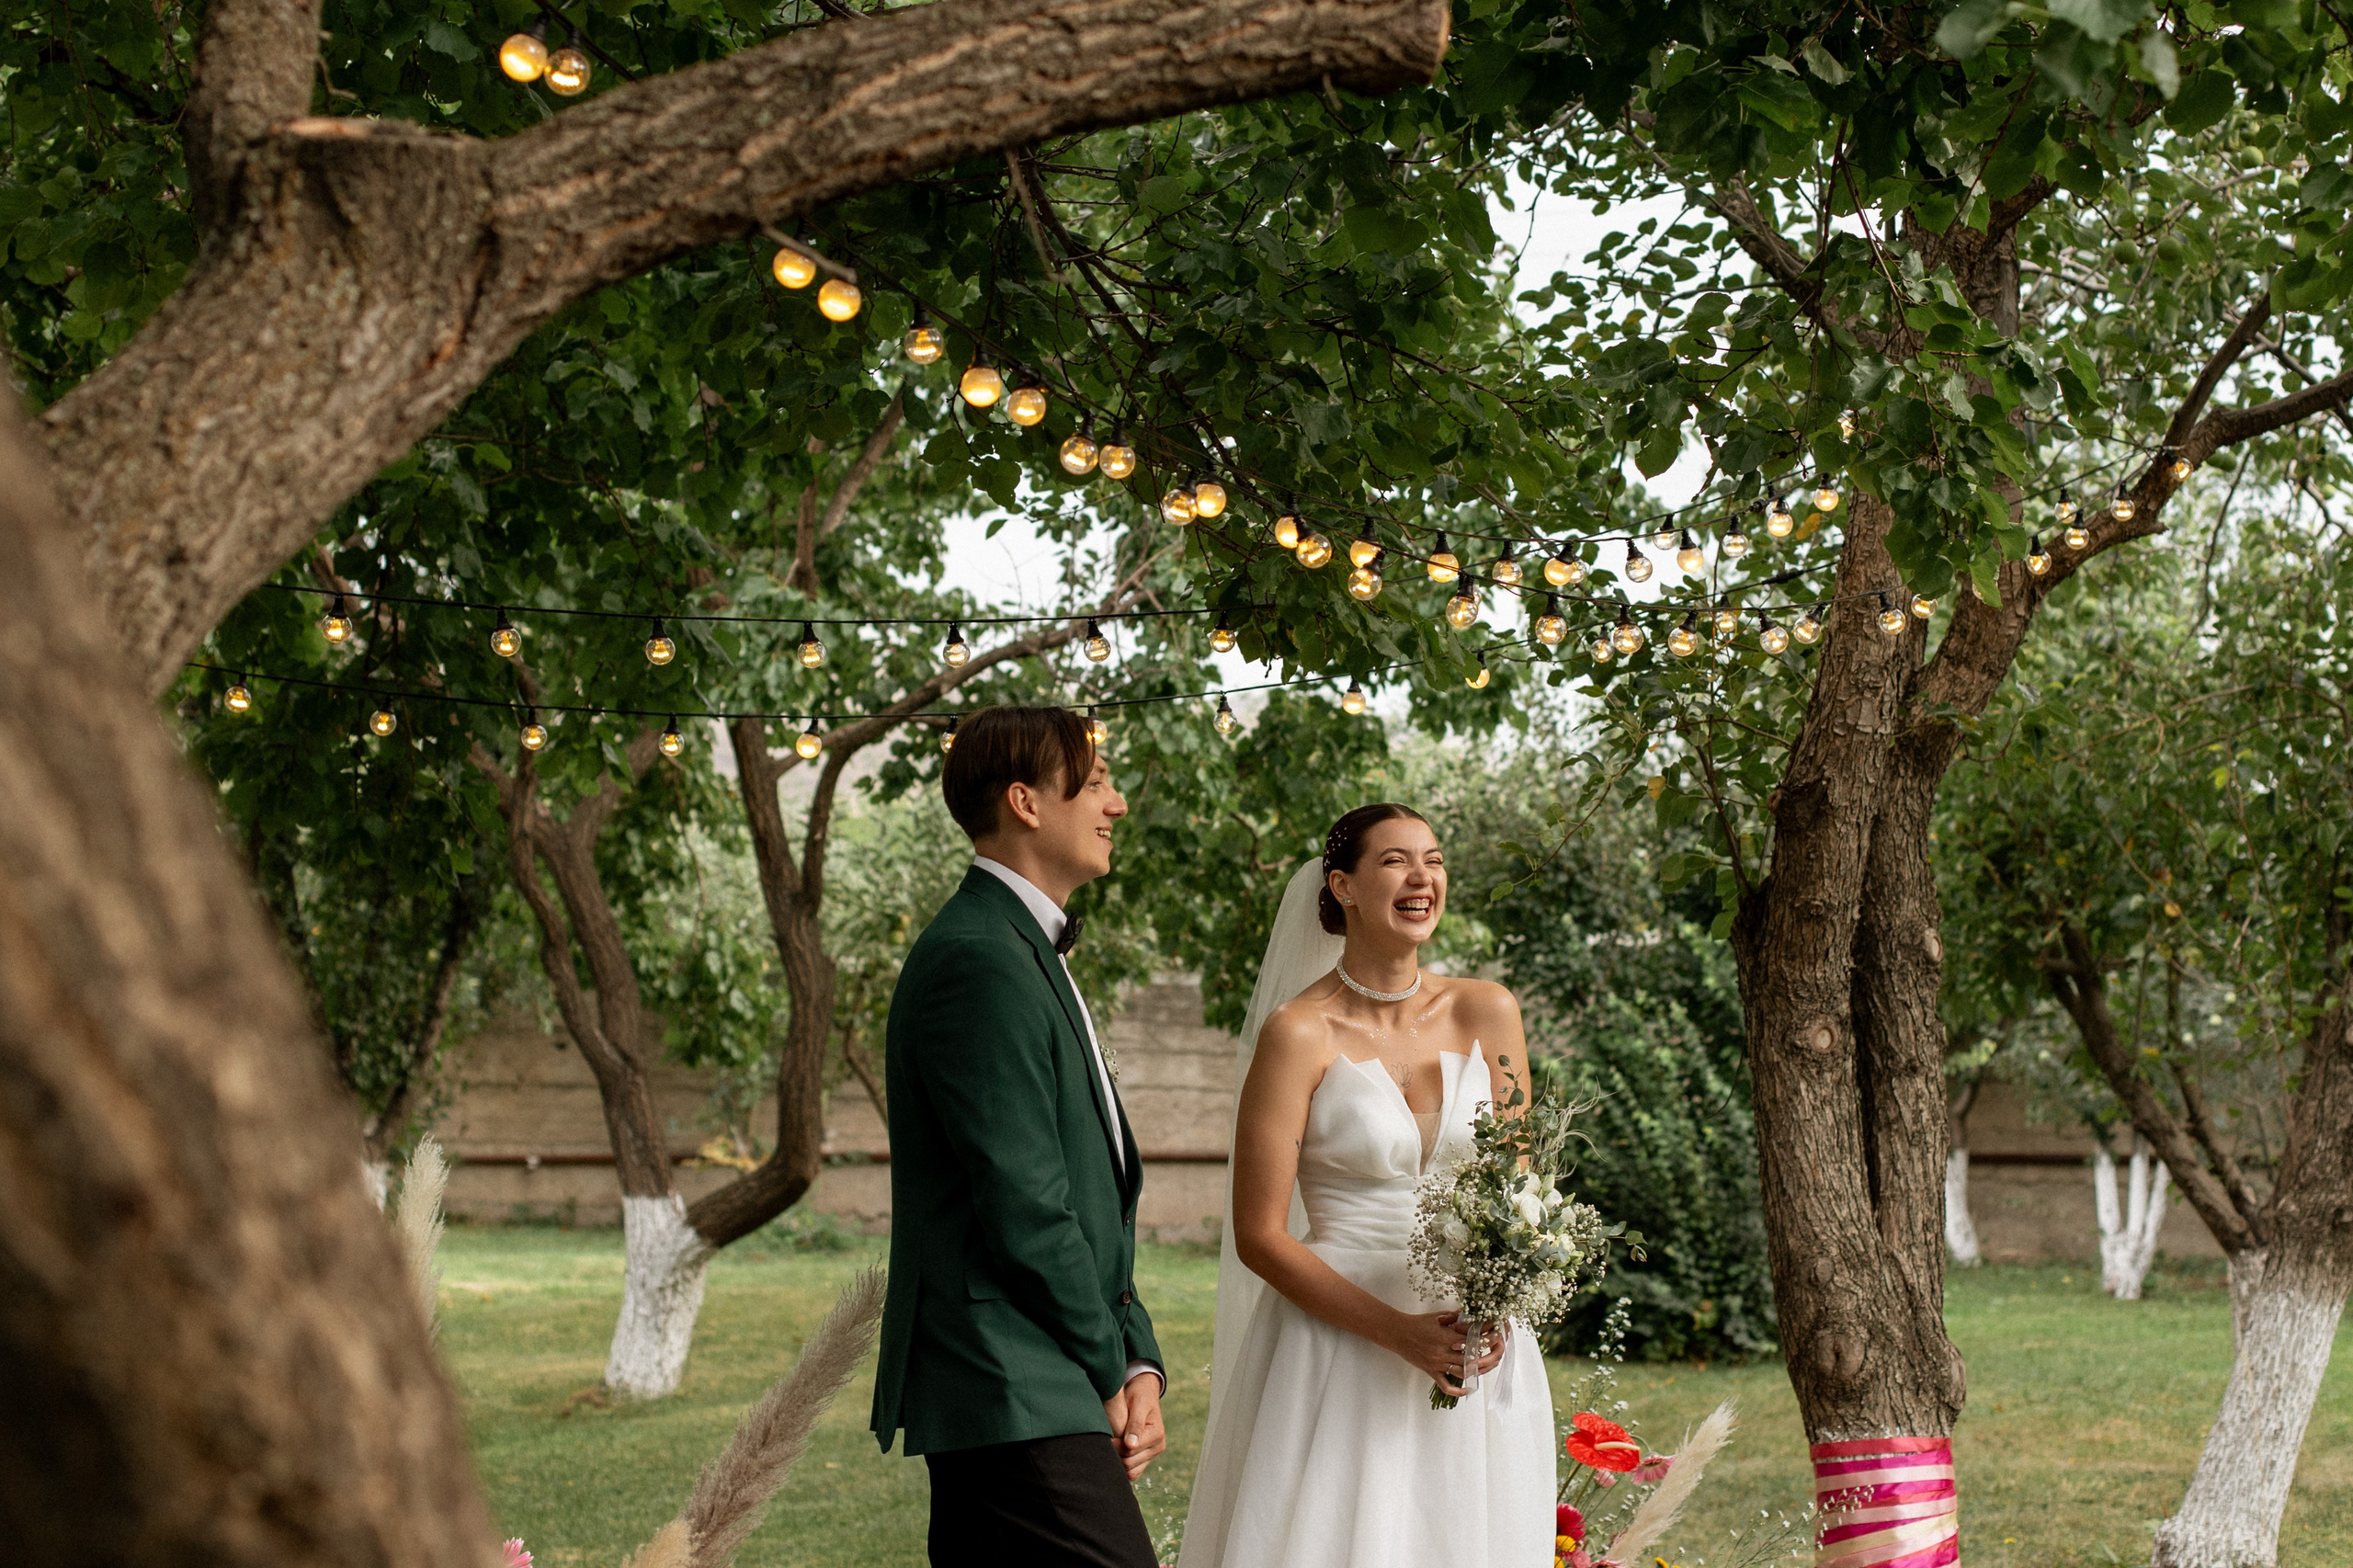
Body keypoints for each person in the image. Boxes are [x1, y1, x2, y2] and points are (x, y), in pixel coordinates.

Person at [1177, 803, 1557, 1568]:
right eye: (1395, 861)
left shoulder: (1488, 1010)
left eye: (1434, 860)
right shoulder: (1298, 1032)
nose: (1423, 877)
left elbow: (1517, 1190)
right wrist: (1398, 1333)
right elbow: (1259, 1235)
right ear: (1343, 887)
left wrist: (1503, 1293)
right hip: (1337, 1343)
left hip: (1472, 1343)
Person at [870, 705, 1166, 1568]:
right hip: (1008, 1373)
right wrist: (1109, 1368)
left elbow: (1091, 1194)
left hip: (1039, 1369)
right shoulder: (979, 958)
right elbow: (1027, 1208)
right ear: (1026, 802)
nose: (1116, 804)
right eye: (1096, 783)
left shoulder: (1022, 947)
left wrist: (1140, 1363)